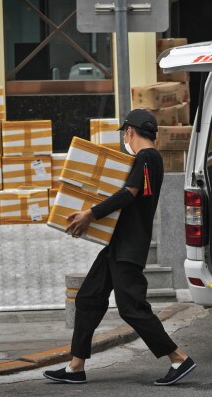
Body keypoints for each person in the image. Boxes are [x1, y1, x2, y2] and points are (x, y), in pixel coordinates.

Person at [43, 109, 196, 386]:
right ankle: (76, 366)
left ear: (129, 132)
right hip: (118, 244)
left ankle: (178, 357)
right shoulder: (148, 159)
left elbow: (129, 193)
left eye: (125, 133)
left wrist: (91, 213)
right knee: (88, 297)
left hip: (129, 245)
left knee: (131, 308)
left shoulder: (146, 156)